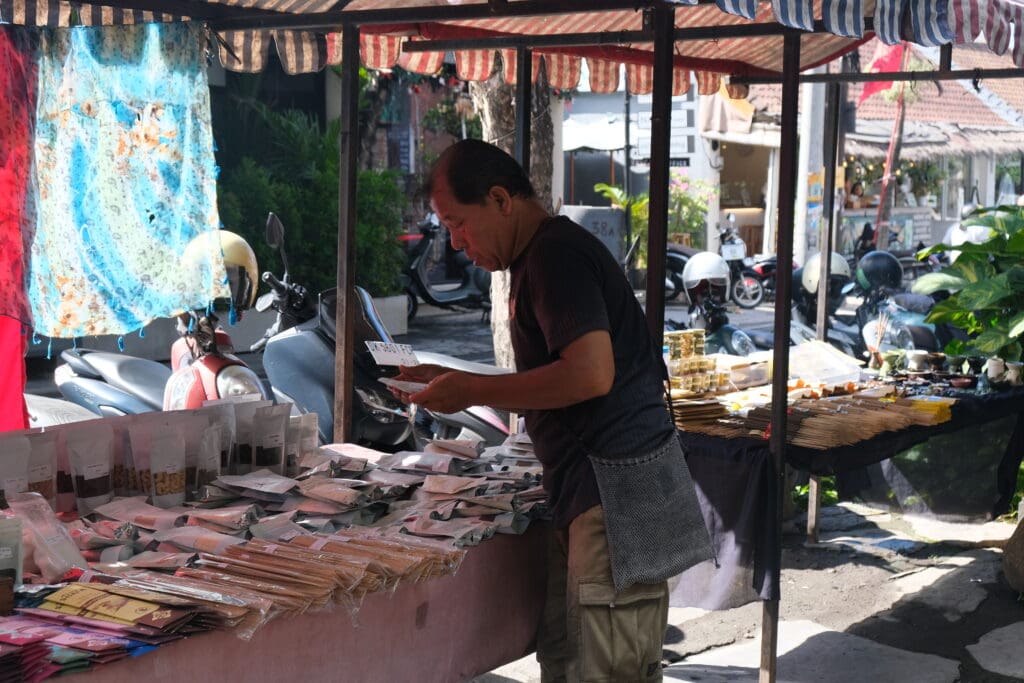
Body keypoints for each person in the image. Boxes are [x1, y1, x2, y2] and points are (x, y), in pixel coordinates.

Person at [391, 140, 711, 682]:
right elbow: (558, 375)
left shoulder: (555, 256)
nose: (455, 241)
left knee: (605, 670)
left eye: (458, 223)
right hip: (591, 494)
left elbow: (590, 374)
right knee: (568, 661)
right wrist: (459, 383)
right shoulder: (538, 257)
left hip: (615, 497)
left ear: (500, 199)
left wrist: (470, 391)